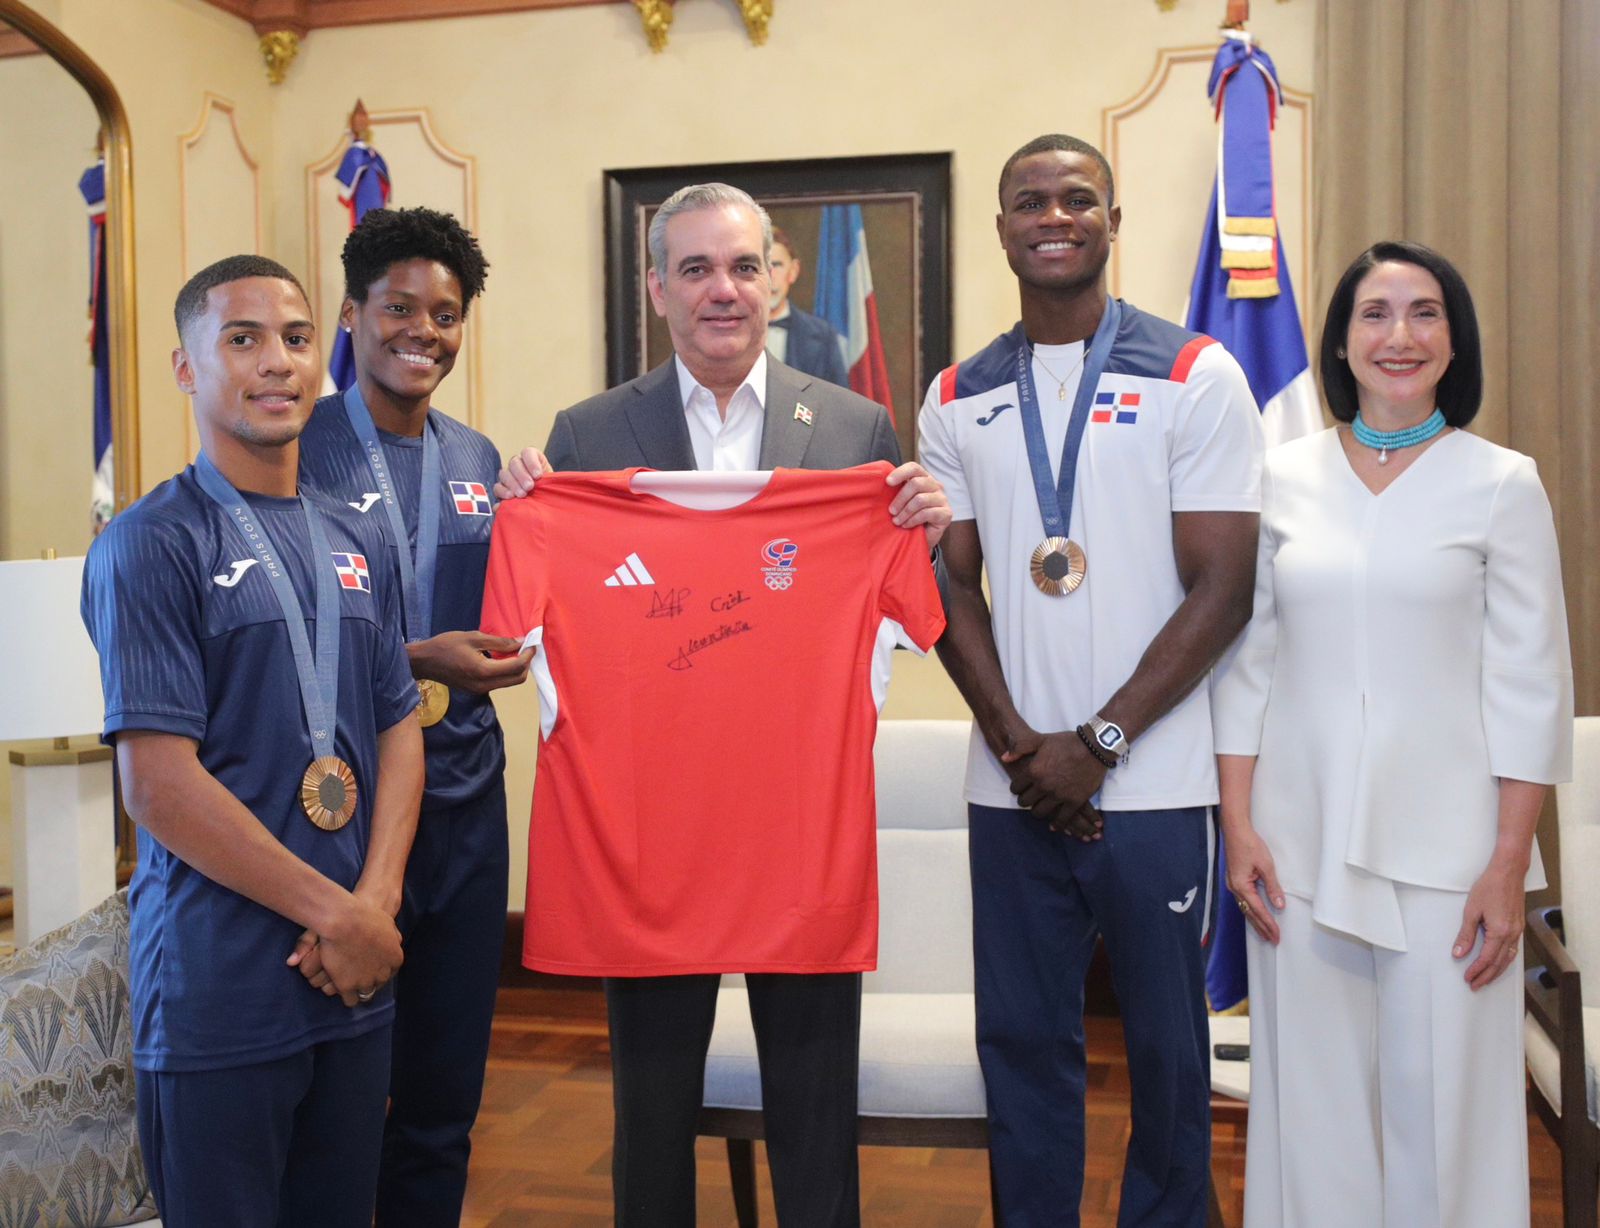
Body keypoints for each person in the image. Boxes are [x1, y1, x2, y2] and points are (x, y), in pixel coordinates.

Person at [495, 180, 951, 1228]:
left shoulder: (853, 425)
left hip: (799, 835)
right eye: (695, 268)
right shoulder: (588, 433)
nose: (722, 290)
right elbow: (529, 634)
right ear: (657, 288)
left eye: (743, 266)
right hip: (650, 836)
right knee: (650, 1115)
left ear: (778, 278)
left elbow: (907, 609)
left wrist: (926, 520)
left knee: (813, 1112)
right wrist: (536, 509)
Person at [918, 134, 1264, 1226]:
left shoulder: (1192, 372)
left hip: (1153, 787)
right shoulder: (954, 393)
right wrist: (1023, 743)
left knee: (1169, 1050)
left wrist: (1097, 744)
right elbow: (946, 585)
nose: (1053, 215)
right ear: (1004, 228)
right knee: (1021, 1043)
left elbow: (1223, 587)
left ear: (1112, 220)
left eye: (1078, 198)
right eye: (1030, 200)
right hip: (1010, 784)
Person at [1211, 240, 1573, 1228]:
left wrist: (1508, 862)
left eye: (1423, 313)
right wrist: (1236, 825)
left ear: (1454, 342)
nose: (1398, 335)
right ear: (1339, 341)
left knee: (1445, 1113)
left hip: (1453, 856)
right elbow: (1246, 666)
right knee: (1313, 1109)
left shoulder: (1502, 482)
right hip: (1297, 844)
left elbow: (1530, 684)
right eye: (1373, 313)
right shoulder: (1278, 477)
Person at [81, 254, 424, 1227]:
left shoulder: (354, 539)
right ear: (187, 369)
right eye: (242, 339)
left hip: (352, 981)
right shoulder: (150, 543)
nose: (277, 361)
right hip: (220, 990)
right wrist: (341, 915)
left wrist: (378, 903)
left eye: (297, 338)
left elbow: (398, 723)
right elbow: (157, 786)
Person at [296, 207, 530, 1226]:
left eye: (445, 314)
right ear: (352, 315)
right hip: (338, 807)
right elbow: (272, 641)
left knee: (443, 1098)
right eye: (399, 309)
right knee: (341, 1097)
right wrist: (415, 660)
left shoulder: (479, 459)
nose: (423, 332)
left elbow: (518, 602)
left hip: (469, 799)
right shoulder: (296, 452)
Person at [765, 224, 849, 386]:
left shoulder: (823, 336)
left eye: (777, 265)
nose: (771, 277)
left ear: (794, 270)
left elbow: (838, 403)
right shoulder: (729, 331)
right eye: (762, 266)